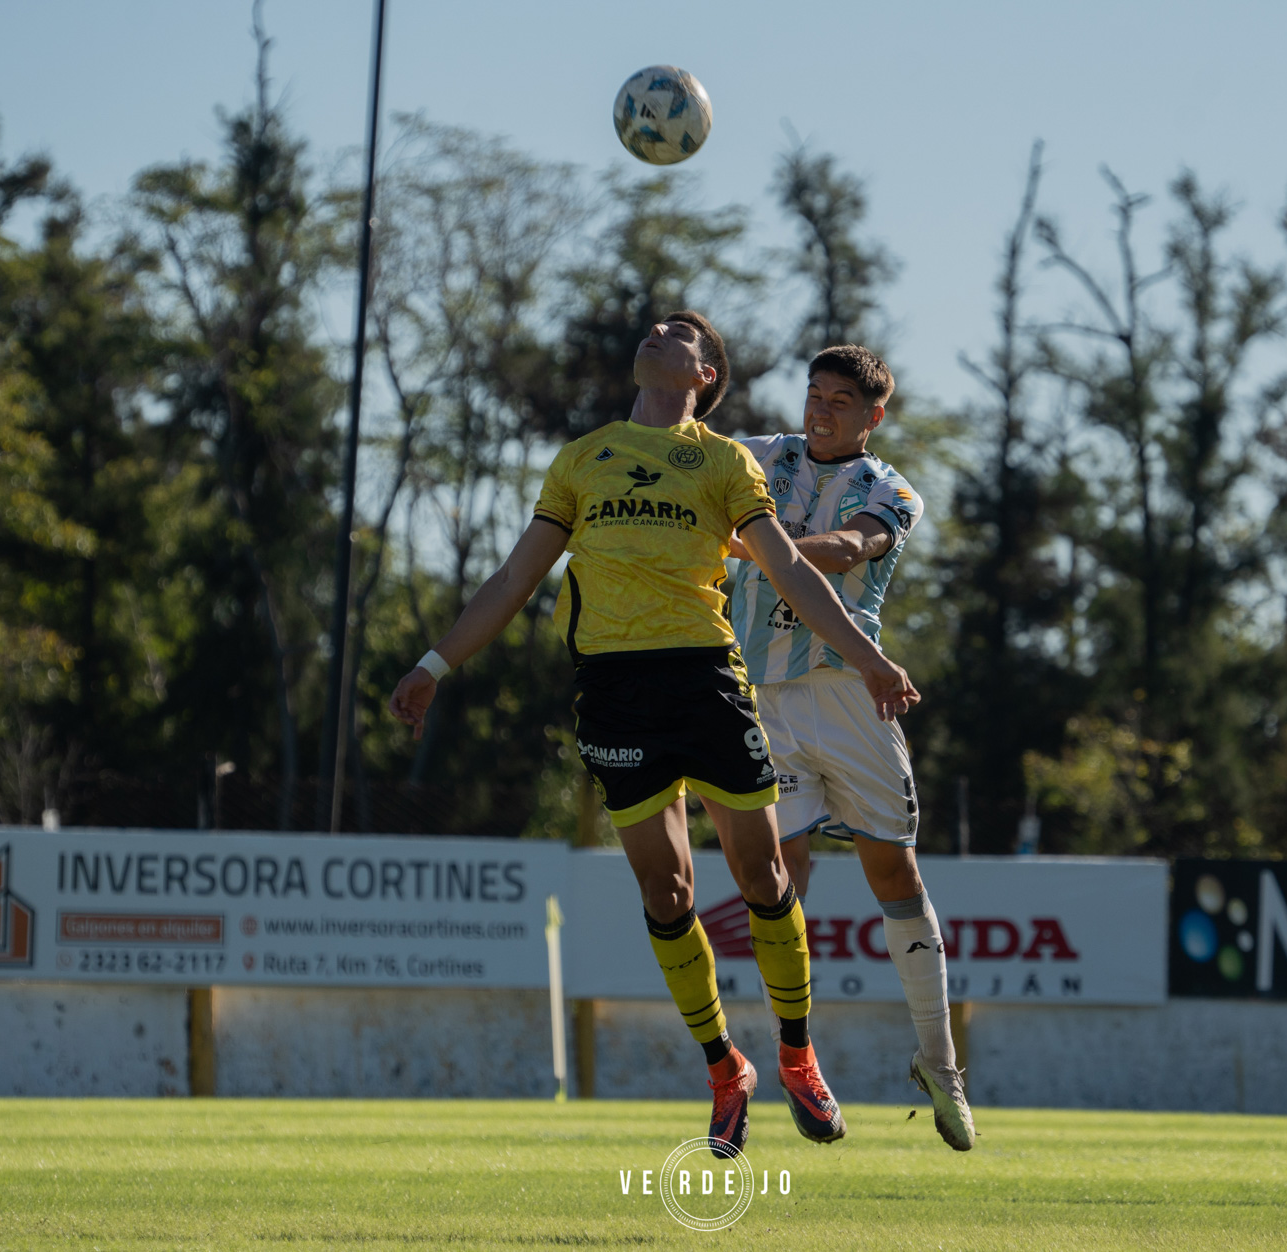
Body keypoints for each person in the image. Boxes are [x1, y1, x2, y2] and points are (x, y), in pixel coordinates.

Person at [387, 312, 920, 1157]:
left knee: (762, 870)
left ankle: (796, 1052)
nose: (660, 329)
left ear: (705, 374)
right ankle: (724, 1068)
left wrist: (868, 662)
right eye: (657, 325)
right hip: (613, 692)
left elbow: (789, 568)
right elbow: (517, 575)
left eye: (683, 331)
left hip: (707, 679)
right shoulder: (583, 459)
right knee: (667, 894)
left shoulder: (722, 461)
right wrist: (433, 664)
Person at [723, 344, 973, 1151]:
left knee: (892, 871)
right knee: (777, 875)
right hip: (767, 699)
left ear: (874, 416)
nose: (820, 409)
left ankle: (940, 1063)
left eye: (840, 400)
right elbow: (688, 455)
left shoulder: (891, 490)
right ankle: (797, 1058)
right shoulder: (764, 458)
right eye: (815, 393)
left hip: (851, 696)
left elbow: (847, 550)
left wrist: (749, 545)